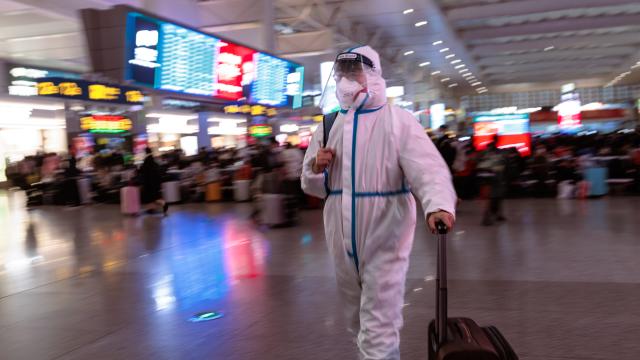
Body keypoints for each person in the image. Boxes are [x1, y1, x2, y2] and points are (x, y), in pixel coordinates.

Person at [301, 45, 456, 360]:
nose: (347, 79)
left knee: (379, 321)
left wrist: (437, 204)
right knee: (356, 320)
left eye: (354, 72)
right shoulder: (330, 124)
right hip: (340, 232)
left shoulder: (398, 121)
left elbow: (428, 169)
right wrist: (316, 168)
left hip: (387, 229)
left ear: (372, 74)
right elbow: (310, 185)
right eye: (342, 73)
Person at [476, 138, 507, 225]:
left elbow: (477, 162)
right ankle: (490, 216)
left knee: (486, 198)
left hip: (482, 176)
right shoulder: (498, 154)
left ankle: (487, 217)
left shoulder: (483, 154)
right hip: (493, 177)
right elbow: (502, 166)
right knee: (494, 197)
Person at [139, 148, 168, 216]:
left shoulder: (147, 160)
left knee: (152, 197)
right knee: (153, 196)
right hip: (154, 181)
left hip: (149, 182)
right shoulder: (152, 159)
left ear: (145, 152)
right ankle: (151, 209)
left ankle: (163, 204)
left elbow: (144, 171)